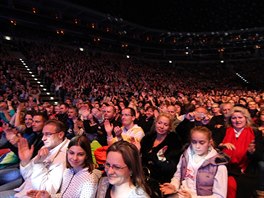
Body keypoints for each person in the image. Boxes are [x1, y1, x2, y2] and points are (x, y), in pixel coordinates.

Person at [0, 119, 70, 197]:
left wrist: (38, 163)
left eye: (48, 134)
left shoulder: (65, 155)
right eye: (43, 134)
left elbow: (45, 190)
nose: (43, 138)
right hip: (24, 189)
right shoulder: (48, 146)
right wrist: (25, 161)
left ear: (60, 135)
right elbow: (28, 176)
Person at [160, 126, 228, 198]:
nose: (197, 146)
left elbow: (220, 196)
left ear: (209, 142)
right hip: (181, 194)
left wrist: (192, 197)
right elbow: (178, 176)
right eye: (194, 142)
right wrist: (174, 186)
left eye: (202, 142)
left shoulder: (218, 165)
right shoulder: (185, 156)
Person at [27, 135, 102, 198]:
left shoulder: (90, 179)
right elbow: (64, 195)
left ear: (87, 156)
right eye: (71, 153)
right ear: (67, 152)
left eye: (80, 154)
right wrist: (49, 196)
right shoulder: (68, 171)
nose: (75, 158)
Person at [219, 106, 262, 198]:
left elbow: (260, 156)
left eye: (240, 117)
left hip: (247, 169)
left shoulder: (255, 132)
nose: (237, 120)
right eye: (234, 118)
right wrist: (221, 145)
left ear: (246, 118)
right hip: (225, 168)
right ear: (230, 120)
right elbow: (213, 147)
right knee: (229, 184)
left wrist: (252, 152)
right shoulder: (223, 130)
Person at [140, 113, 182, 196]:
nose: (161, 127)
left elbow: (171, 168)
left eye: (165, 125)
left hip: (161, 180)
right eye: (159, 123)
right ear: (155, 123)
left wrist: (159, 158)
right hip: (144, 176)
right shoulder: (148, 138)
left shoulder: (174, 141)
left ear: (169, 127)